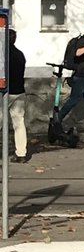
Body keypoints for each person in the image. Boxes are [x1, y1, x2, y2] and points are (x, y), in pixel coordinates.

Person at [7, 29, 29, 163]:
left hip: (5, 93)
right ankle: (21, 153)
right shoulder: (20, 54)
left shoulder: (3, 54)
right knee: (19, 123)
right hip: (19, 92)